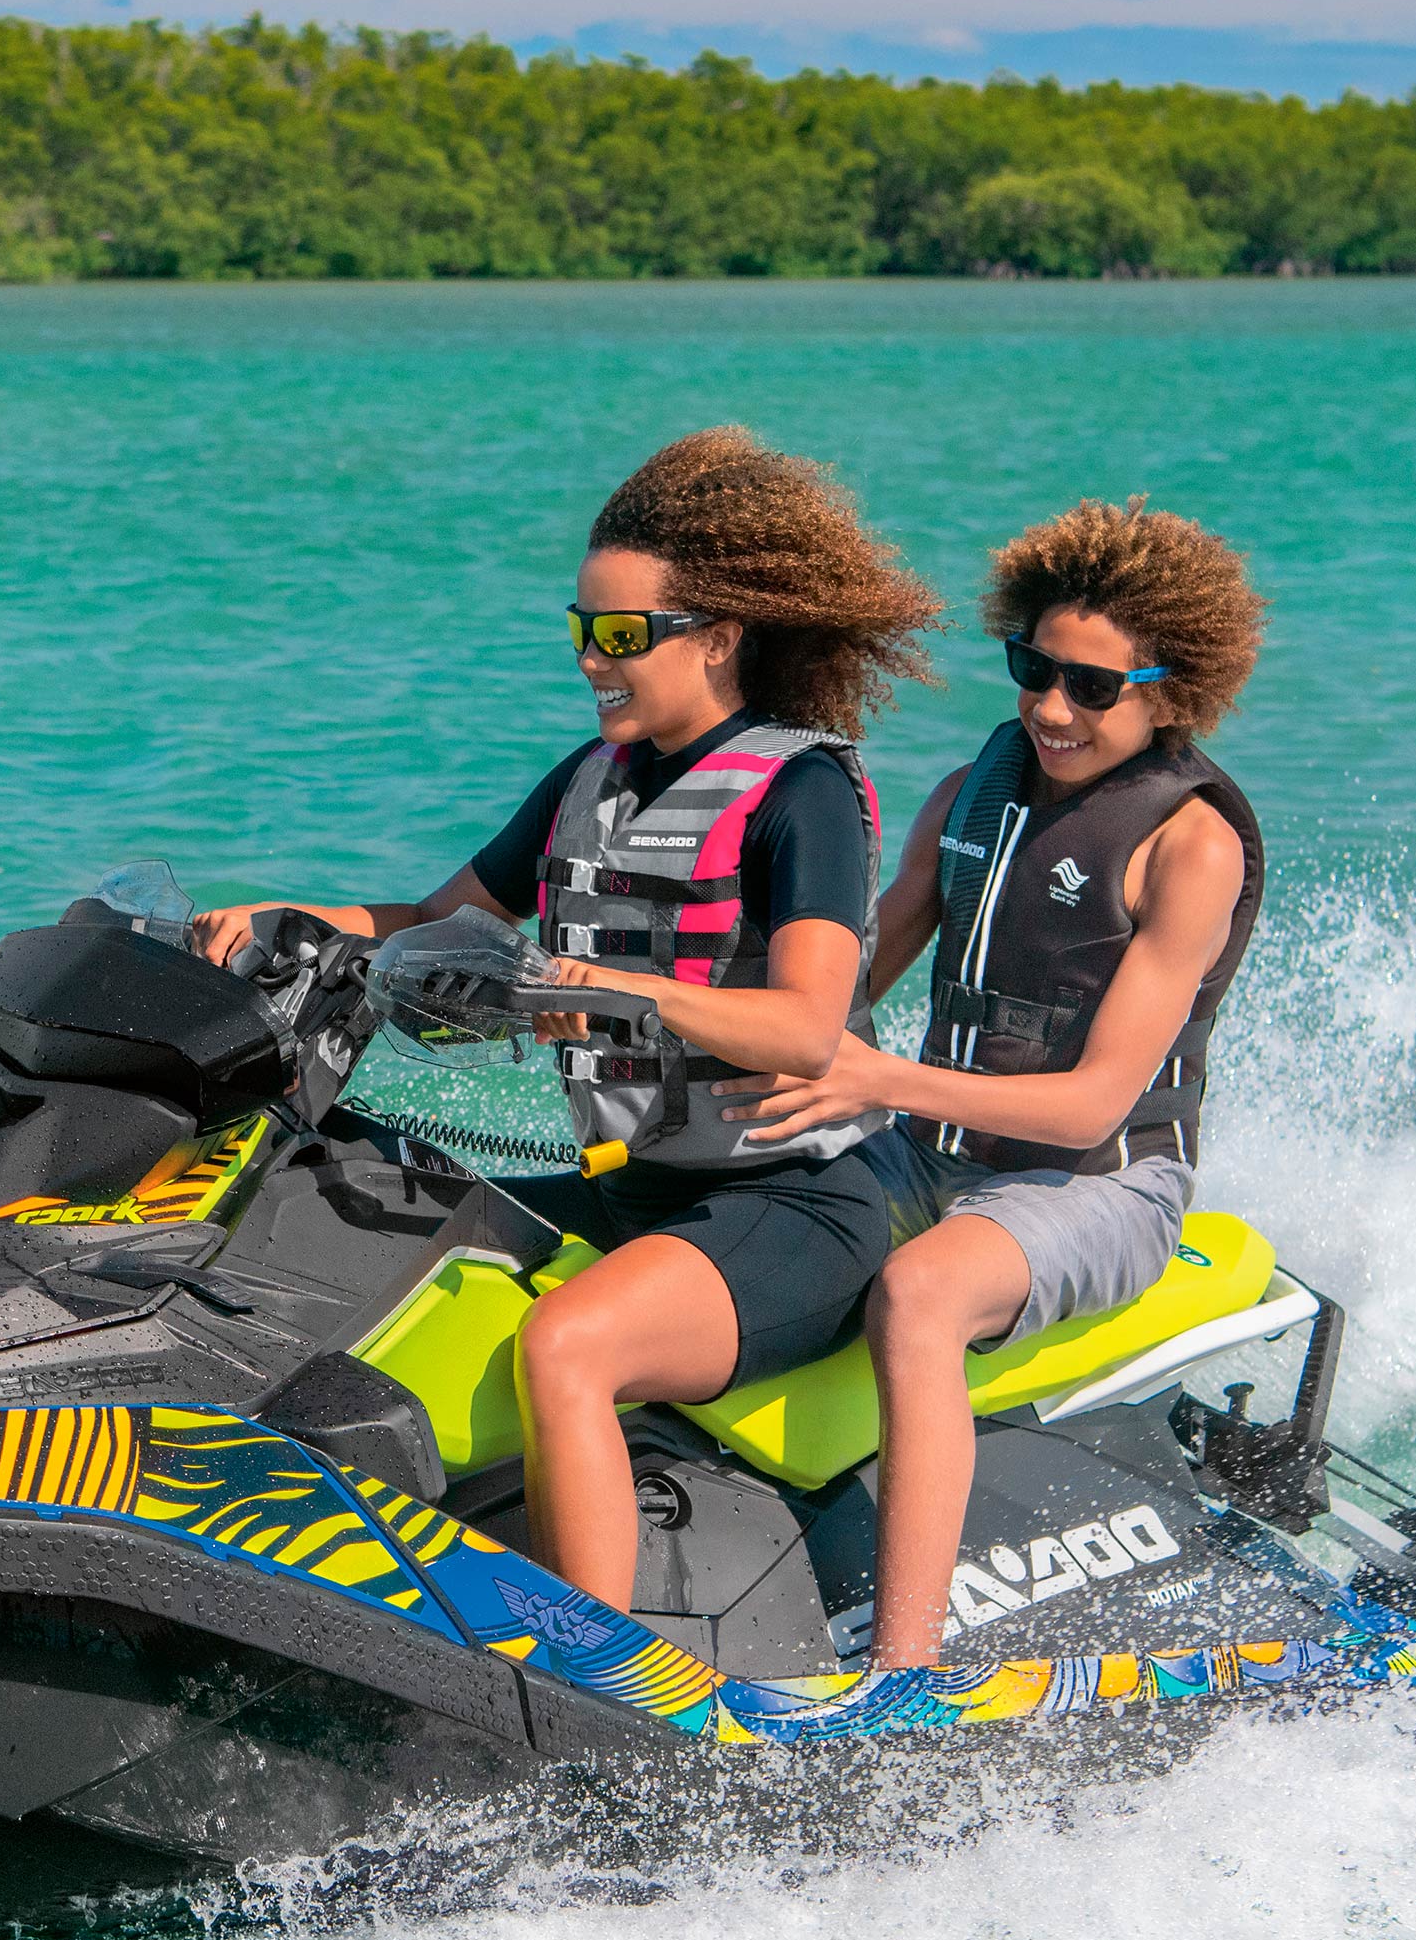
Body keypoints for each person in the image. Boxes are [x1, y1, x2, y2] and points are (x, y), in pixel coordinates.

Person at [196, 428, 940, 1610]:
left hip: (785, 1202)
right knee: (358, 1237)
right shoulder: (585, 781)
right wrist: (286, 917)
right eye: (580, 628)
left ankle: (588, 1684)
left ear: (721, 638)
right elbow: (435, 921)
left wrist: (601, 992)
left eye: (621, 636)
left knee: (568, 1346)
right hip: (635, 1182)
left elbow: (809, 1026)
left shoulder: (802, 794)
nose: (593, 659)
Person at [716, 498, 1268, 1670]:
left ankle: (902, 1677)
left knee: (916, 1298)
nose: (1052, 708)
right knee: (720, 1181)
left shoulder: (1190, 845)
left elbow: (1090, 1106)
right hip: (932, 1151)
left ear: (1174, 692)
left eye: (1094, 688)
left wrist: (876, 1077)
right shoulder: (973, 794)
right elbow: (848, 982)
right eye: (1034, 668)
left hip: (1098, 1185)